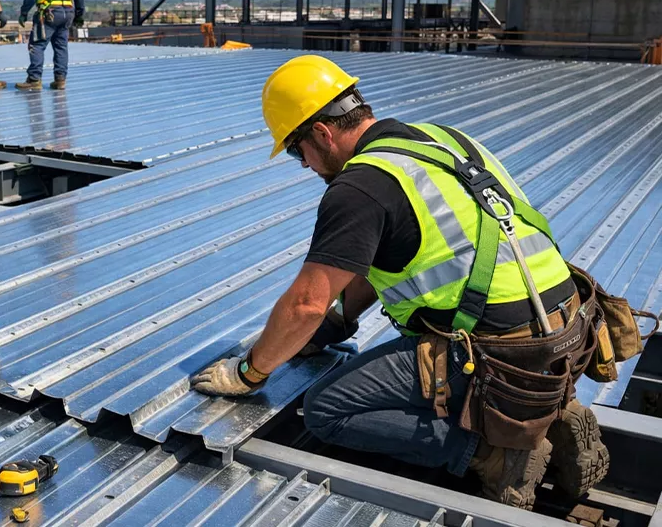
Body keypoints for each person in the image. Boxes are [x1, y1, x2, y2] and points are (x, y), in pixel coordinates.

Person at [191, 55, 610, 510]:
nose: (305, 166)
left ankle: (494, 454)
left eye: (297, 151)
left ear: (321, 133)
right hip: (570, 329)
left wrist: (250, 372)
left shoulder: (359, 187)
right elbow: (392, 257)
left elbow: (305, 305)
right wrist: (336, 325)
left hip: (499, 352)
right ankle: (554, 414)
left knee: (325, 410)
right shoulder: (444, 139)